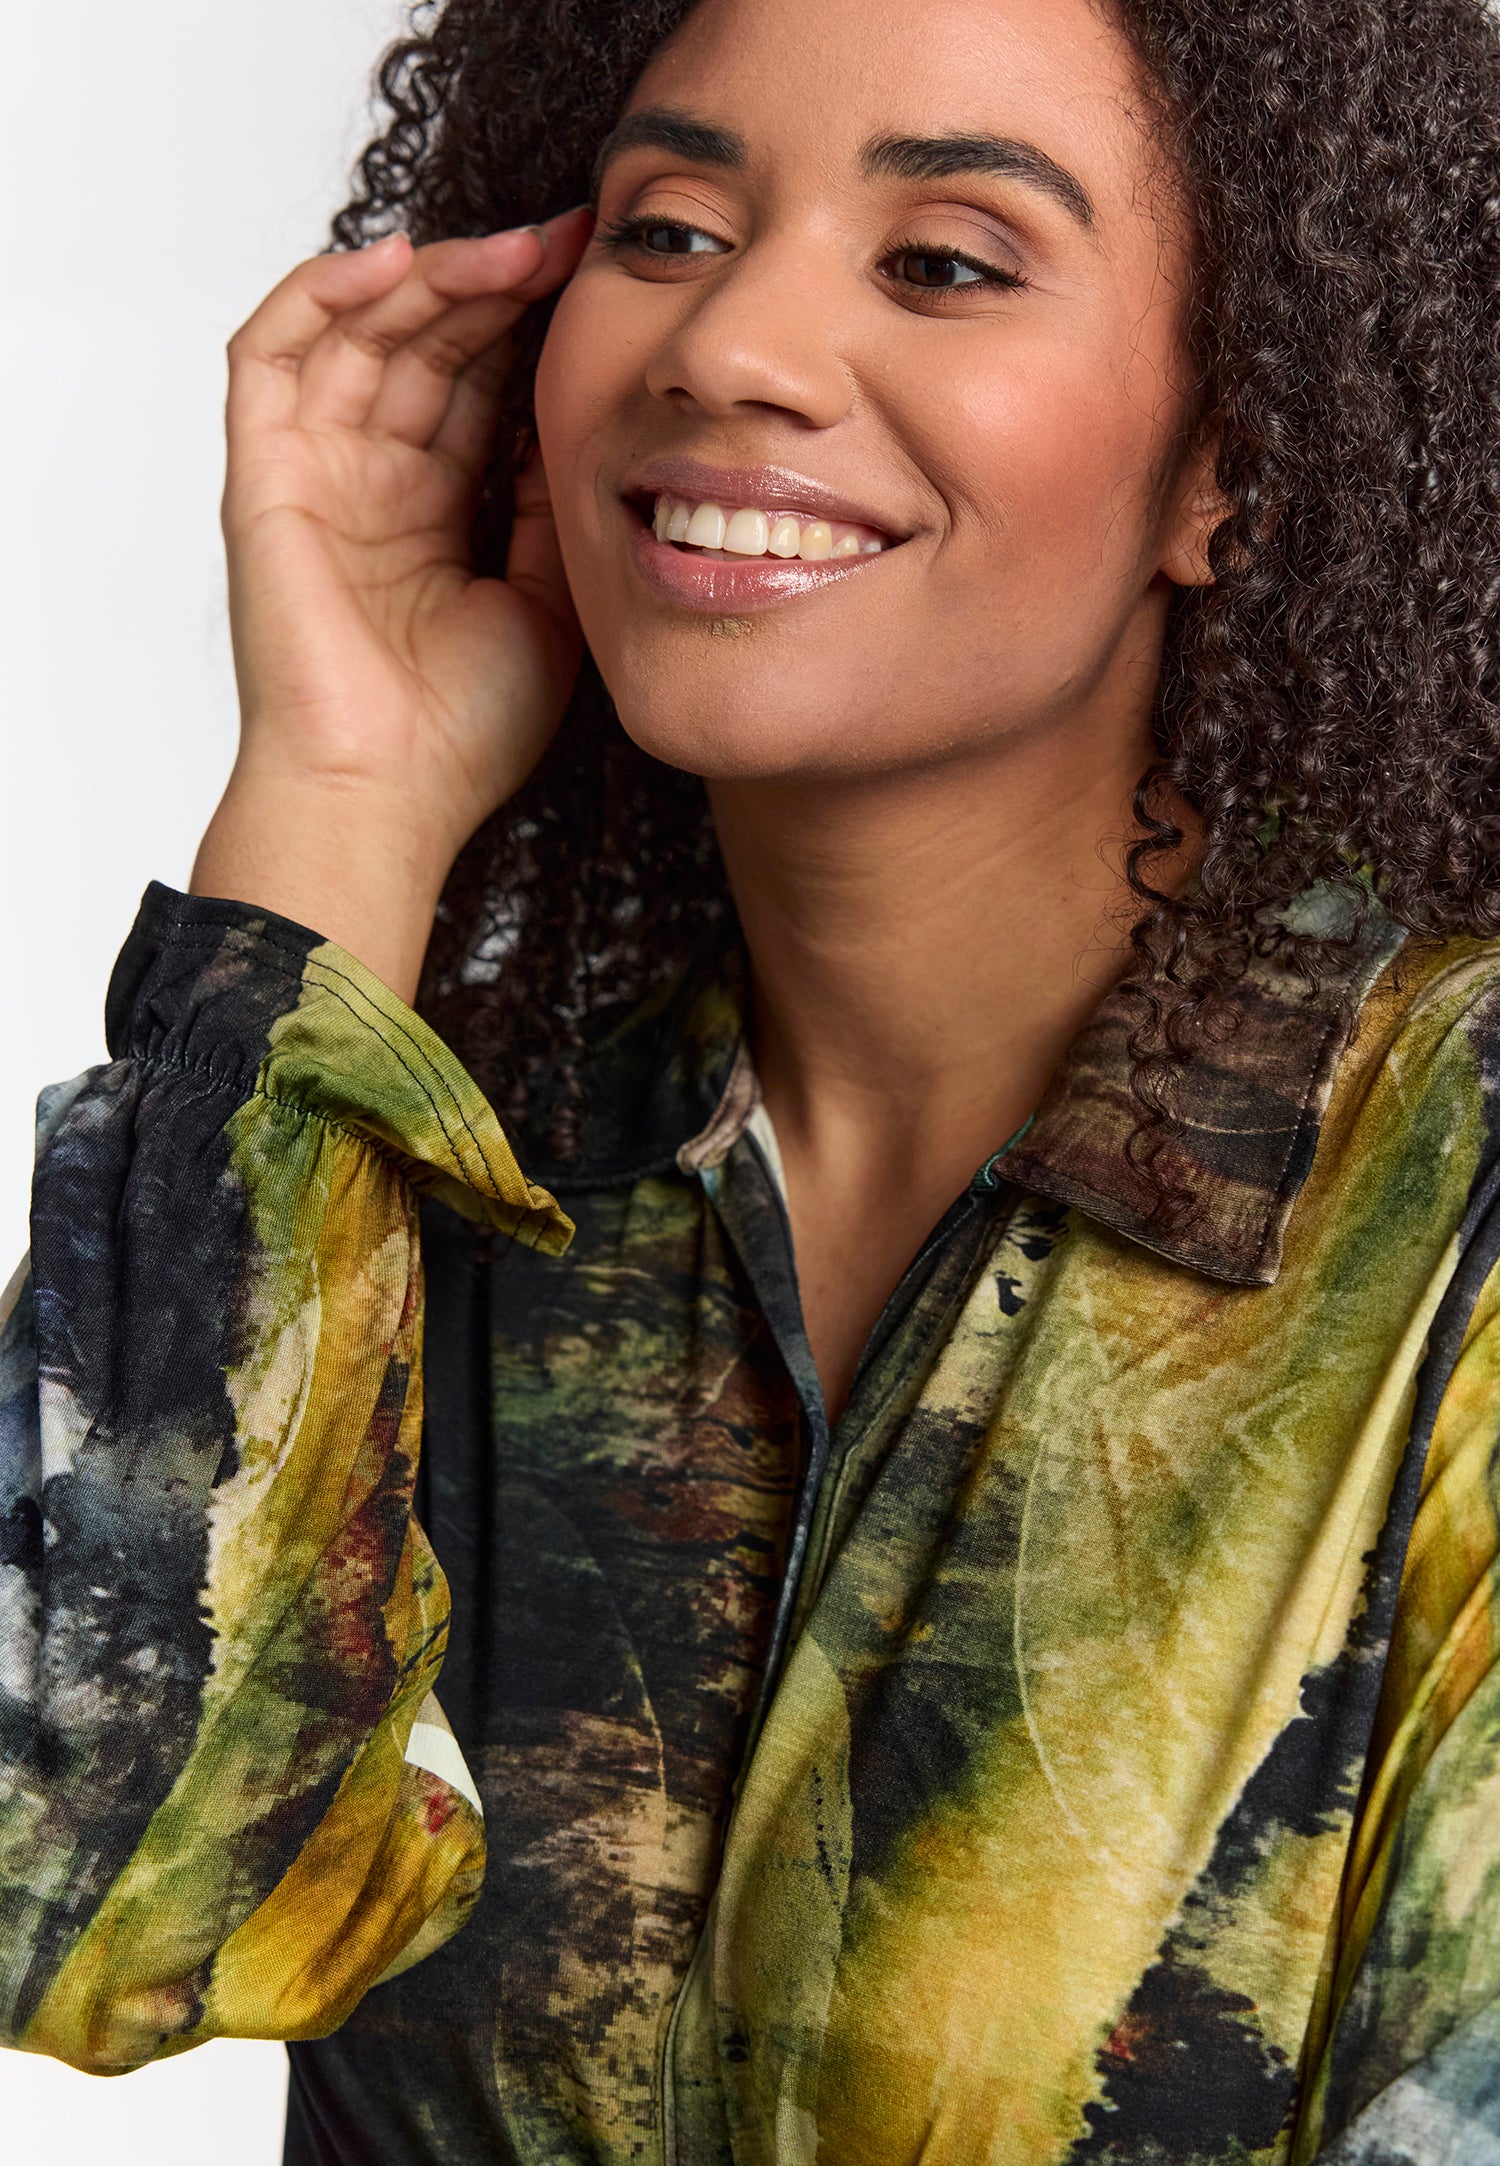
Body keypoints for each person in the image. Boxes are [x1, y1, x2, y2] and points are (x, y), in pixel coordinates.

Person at [3, 0, 1500, 2157]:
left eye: (946, 261)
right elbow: (79, 1899)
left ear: (1231, 459)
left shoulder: (1447, 1212)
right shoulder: (477, 1181)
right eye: (672, 229)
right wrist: (337, 799)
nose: (731, 345)